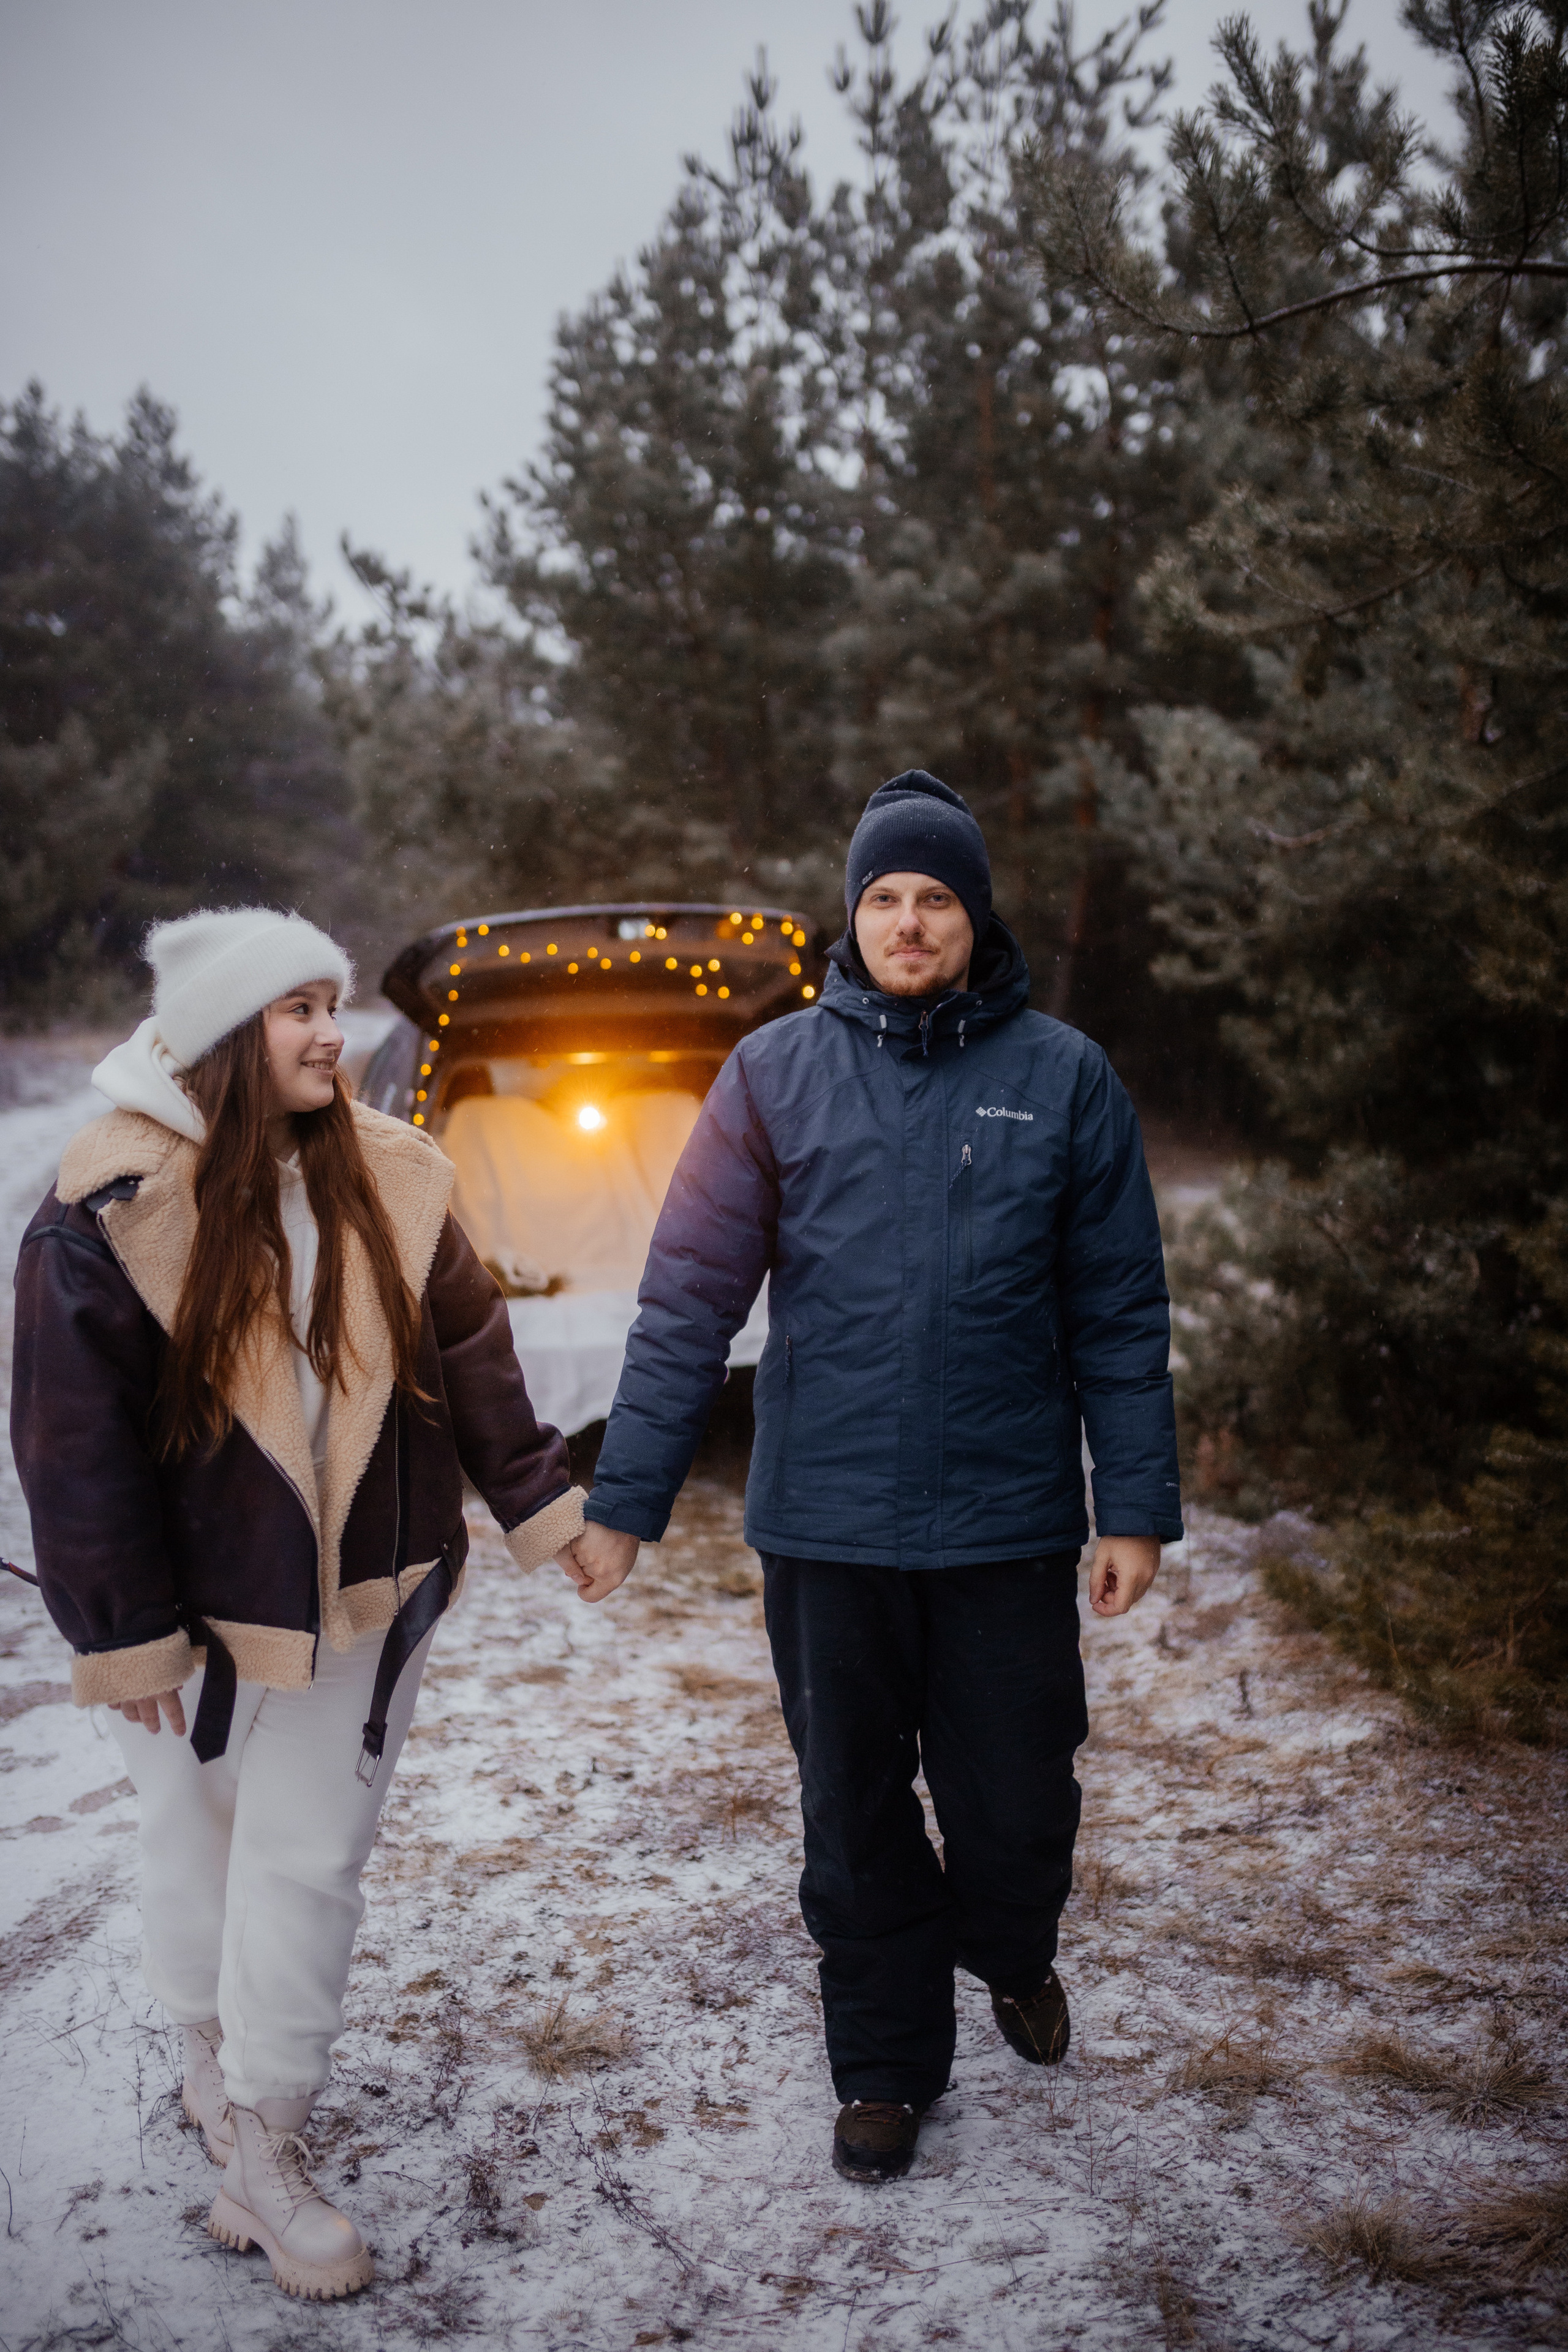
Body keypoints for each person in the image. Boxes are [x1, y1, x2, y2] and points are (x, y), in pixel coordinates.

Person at [560, 771, 1181, 2182]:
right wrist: (626, 1501)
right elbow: (686, 1303)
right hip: (826, 1526)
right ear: (854, 918)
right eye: (884, 898)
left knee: (1016, 1801)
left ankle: (1012, 1947)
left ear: (973, 916)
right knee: (850, 1808)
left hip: (1005, 1521)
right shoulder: (773, 1074)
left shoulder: (1062, 1077)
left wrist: (1131, 1504)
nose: (907, 922)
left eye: (935, 897)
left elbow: (1118, 1311)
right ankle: (887, 2065)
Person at [10, 909, 585, 2297]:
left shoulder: (394, 1173)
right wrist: (125, 1631)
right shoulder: (108, 1199)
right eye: (298, 1010)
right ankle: (209, 2067)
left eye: (334, 1004)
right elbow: (72, 1444)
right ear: (223, 1034)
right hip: (192, 1614)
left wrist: (541, 1509)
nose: (335, 1033)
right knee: (191, 1834)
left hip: (359, 1593)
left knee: (309, 1855)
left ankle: (268, 2139)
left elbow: (473, 1348)